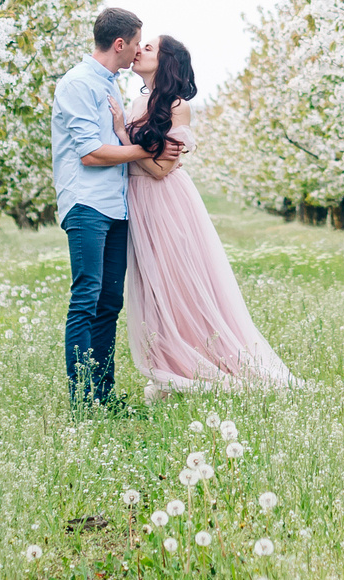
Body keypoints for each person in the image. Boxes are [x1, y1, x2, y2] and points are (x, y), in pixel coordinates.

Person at [122, 33, 301, 399]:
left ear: (166, 60)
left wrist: (121, 139)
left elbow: (158, 170)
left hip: (165, 201)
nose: (139, 50)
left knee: (175, 284)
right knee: (151, 288)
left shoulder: (176, 105)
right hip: (138, 201)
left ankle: (196, 365)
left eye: (149, 47)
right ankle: (167, 368)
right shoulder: (136, 102)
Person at [50, 5, 171, 410]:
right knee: (86, 299)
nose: (138, 51)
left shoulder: (109, 84)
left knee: (109, 304)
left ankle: (103, 395)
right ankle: (83, 402)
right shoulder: (78, 84)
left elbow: (112, 143)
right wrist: (147, 149)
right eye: (135, 43)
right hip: (86, 204)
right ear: (119, 44)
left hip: (114, 207)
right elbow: (89, 153)